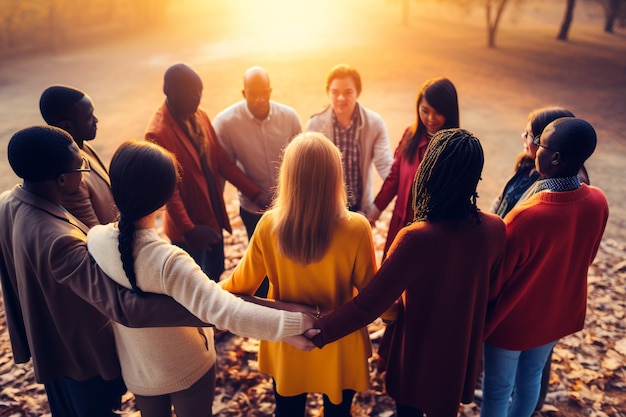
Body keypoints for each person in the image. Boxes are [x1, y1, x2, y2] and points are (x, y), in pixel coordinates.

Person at [0, 126, 218, 417]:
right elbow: (125, 309)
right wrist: (210, 310)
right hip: (82, 357)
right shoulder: (57, 239)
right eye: (81, 166)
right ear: (63, 180)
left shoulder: (9, 202)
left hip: (48, 343)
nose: (84, 171)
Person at [86, 140, 315, 417]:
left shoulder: (95, 239)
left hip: (139, 371)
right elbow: (225, 312)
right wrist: (295, 324)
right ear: (166, 197)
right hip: (188, 367)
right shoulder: (168, 262)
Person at [307, 128, 507, 417]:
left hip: (417, 351)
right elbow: (491, 292)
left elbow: (368, 305)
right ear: (475, 176)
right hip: (459, 351)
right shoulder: (494, 229)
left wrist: (320, 331)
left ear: (429, 174)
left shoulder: (416, 238)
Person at [219, 132, 379, 417]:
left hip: (289, 342)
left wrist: (288, 311)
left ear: (288, 177)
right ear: (335, 176)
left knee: (288, 412)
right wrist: (399, 311)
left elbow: (235, 292)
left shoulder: (269, 225)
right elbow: (373, 297)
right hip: (340, 345)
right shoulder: (356, 228)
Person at [481, 118, 609, 417]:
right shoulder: (598, 201)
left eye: (541, 143)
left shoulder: (527, 216)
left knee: (498, 390)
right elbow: (586, 257)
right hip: (558, 315)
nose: (534, 147)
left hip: (512, 322)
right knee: (531, 380)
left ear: (555, 157)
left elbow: (496, 280)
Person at [145, 63, 266, 282]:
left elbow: (221, 161)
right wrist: (189, 231)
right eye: (190, 93)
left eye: (199, 91)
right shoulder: (158, 133)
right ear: (169, 92)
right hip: (189, 231)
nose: (197, 97)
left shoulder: (199, 115)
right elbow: (169, 192)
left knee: (215, 272)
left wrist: (255, 194)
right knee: (194, 285)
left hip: (211, 217)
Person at [213, 66, 301, 297]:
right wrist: (254, 193)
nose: (260, 99)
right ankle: (264, 318)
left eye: (264, 93)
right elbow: (225, 166)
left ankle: (291, 306)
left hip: (289, 206)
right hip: (253, 208)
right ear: (244, 94)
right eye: (253, 94)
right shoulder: (226, 122)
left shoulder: (289, 117)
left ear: (271, 91)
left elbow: (300, 161)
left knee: (292, 260)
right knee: (260, 265)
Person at [367, 77, 459, 258]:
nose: (430, 118)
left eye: (438, 112)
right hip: (400, 224)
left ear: (449, 112)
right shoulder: (410, 134)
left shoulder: (454, 147)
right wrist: (375, 212)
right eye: (425, 111)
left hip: (430, 232)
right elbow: (395, 177)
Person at [306, 63, 393, 214]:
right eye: (335, 92)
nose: (341, 98)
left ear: (357, 93)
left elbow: (386, 166)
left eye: (348, 92)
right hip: (326, 211)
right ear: (328, 92)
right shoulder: (314, 125)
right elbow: (309, 174)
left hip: (360, 209)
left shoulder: (375, 124)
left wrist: (374, 211)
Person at [39, 85, 118, 228]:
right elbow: (92, 234)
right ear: (66, 126)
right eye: (89, 117)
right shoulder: (72, 178)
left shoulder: (83, 145)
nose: (96, 120)